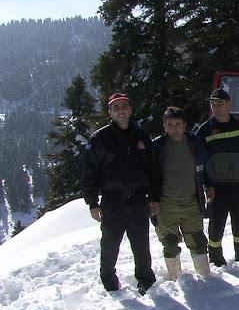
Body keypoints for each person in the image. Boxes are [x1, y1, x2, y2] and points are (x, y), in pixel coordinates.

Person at [82, 93, 160, 295]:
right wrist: (92, 202)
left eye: (124, 106)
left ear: (130, 109)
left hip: (138, 199)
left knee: (141, 245)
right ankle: (109, 282)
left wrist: (155, 198)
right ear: (110, 112)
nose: (120, 111)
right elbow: (89, 172)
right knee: (109, 244)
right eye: (116, 107)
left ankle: (145, 279)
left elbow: (152, 170)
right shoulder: (100, 139)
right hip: (112, 200)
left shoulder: (141, 136)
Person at [152, 106, 212, 280]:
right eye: (170, 125)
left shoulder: (195, 143)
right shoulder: (157, 146)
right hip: (166, 204)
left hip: (191, 202)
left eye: (177, 124)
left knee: (198, 241)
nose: (174, 129)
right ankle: (175, 279)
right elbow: (150, 175)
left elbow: (206, 167)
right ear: (164, 126)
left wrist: (210, 186)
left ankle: (206, 278)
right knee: (169, 244)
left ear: (184, 125)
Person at [195, 89, 239, 266]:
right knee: (217, 222)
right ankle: (215, 257)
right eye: (213, 105)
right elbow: (200, 162)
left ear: (229, 104)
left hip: (238, 184)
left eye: (220, 104)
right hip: (216, 186)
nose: (216, 108)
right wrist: (207, 185)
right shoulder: (204, 130)